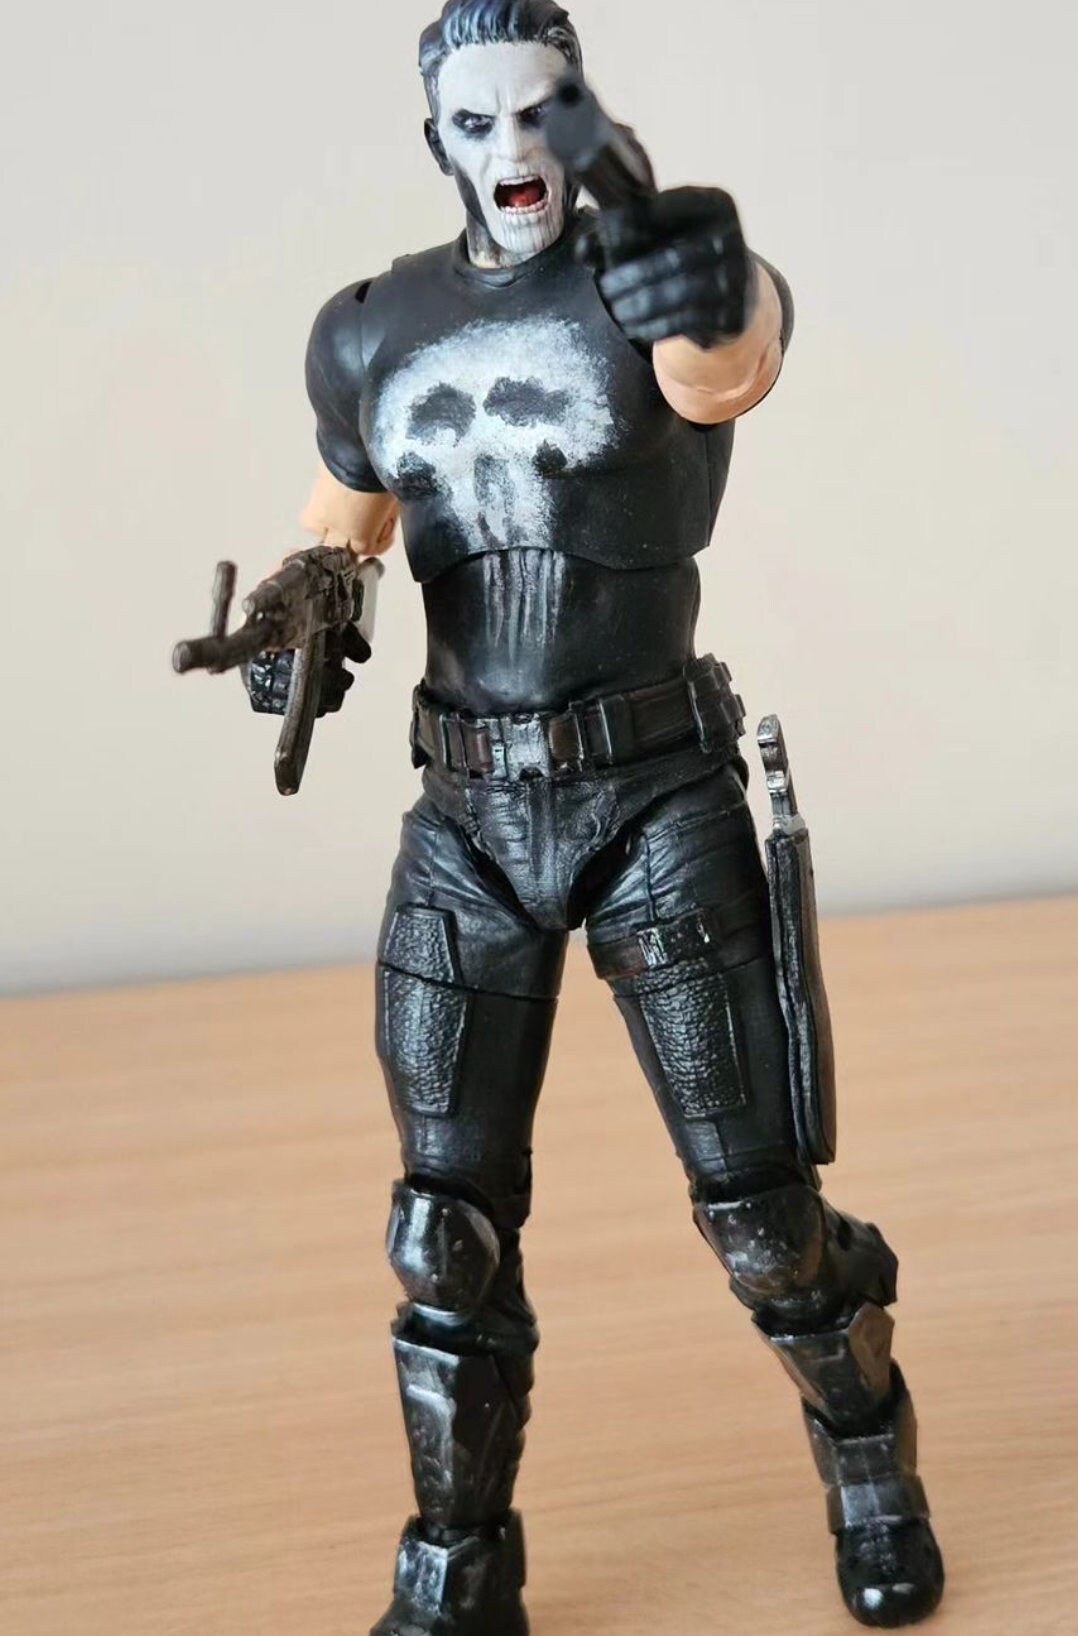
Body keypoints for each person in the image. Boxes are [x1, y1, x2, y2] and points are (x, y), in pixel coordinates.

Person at [249, 3, 945, 1629]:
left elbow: (732, 347)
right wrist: (304, 598)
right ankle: (458, 1564)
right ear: (436, 140)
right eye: (474, 120)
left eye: (537, 111)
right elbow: (344, 516)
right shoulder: (367, 329)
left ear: (576, 111)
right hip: (465, 816)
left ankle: (867, 1449)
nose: (510, 149)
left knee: (760, 1219)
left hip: (652, 801)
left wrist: (712, 270)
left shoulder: (652, 286)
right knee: (444, 1232)